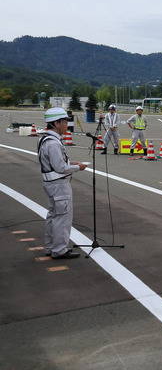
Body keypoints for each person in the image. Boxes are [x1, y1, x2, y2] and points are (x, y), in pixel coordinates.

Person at [38, 108, 87, 259]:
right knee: (62, 218)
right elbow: (60, 168)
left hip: (51, 184)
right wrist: (78, 167)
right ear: (55, 123)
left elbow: (54, 163)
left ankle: (50, 246)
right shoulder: (53, 143)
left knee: (53, 215)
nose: (66, 125)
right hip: (59, 184)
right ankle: (59, 249)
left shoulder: (45, 139)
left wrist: (69, 162)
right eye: (64, 122)